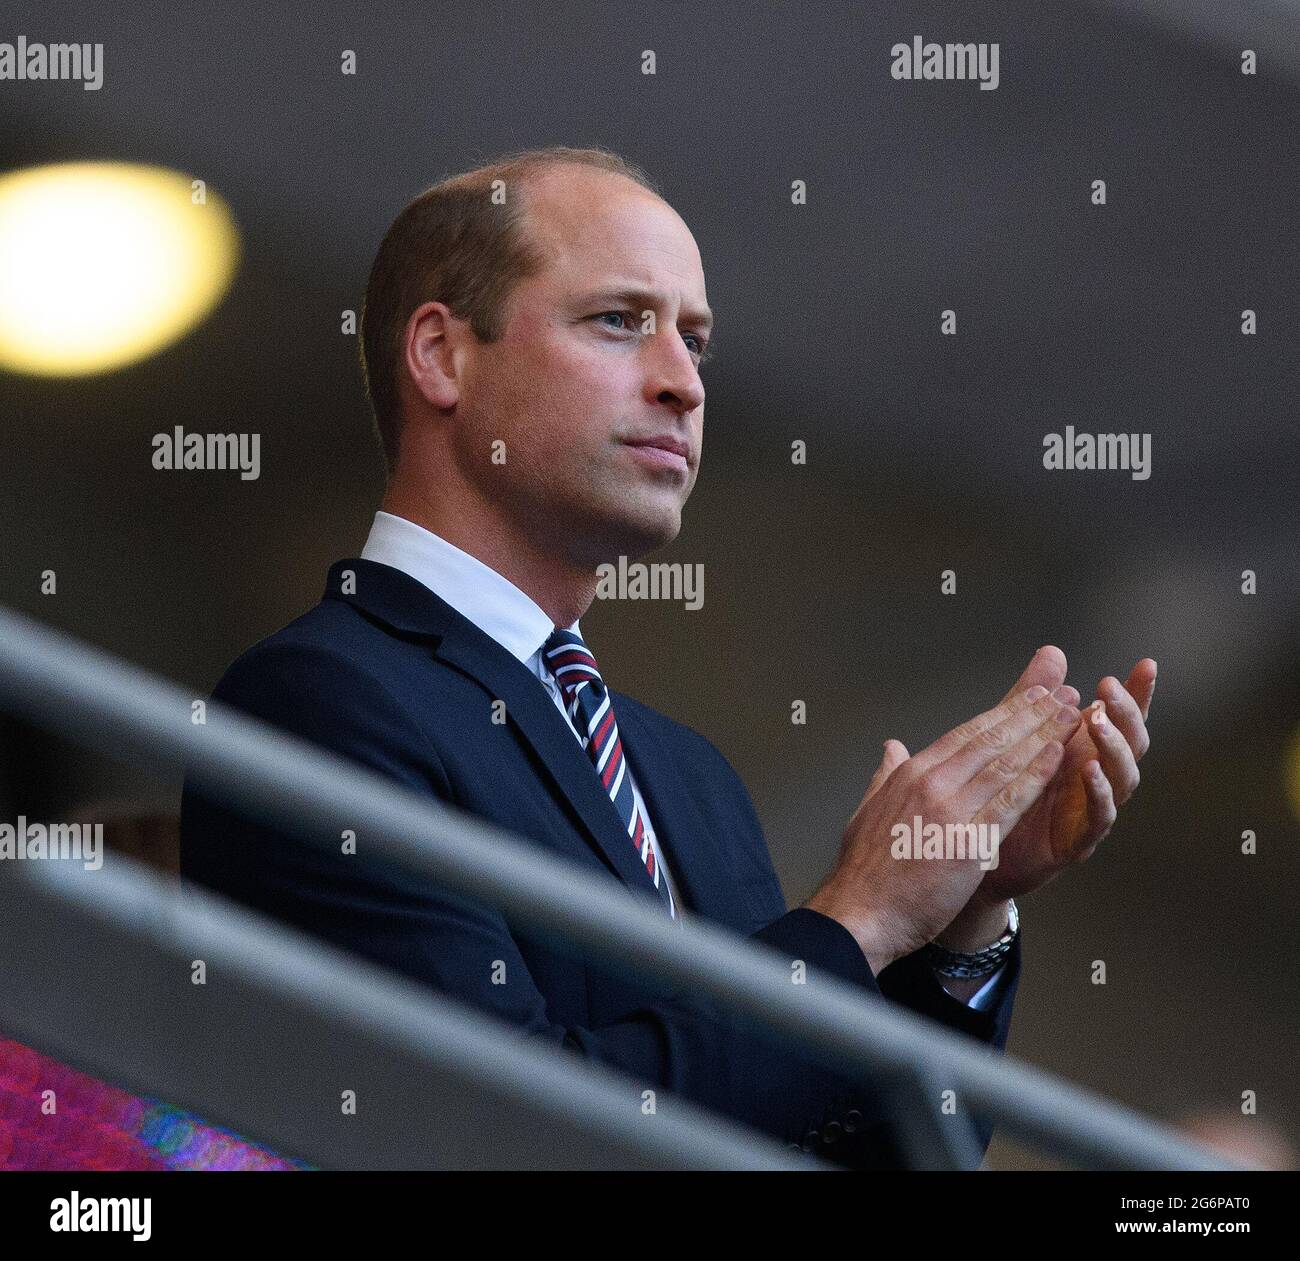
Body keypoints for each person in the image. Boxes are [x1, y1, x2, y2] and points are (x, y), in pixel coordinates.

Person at [180, 146, 1155, 1168]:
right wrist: (857, 918)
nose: (682, 383)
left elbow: (841, 1152)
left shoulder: (690, 777)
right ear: (441, 355)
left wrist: (960, 915)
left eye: (695, 342)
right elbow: (498, 1136)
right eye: (618, 320)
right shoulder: (319, 700)